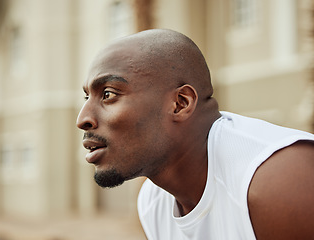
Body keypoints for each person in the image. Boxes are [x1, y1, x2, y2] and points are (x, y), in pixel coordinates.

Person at [76, 29, 314, 239]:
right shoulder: (153, 202)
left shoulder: (277, 180)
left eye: (108, 94)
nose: (83, 119)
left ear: (180, 103)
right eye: (87, 97)